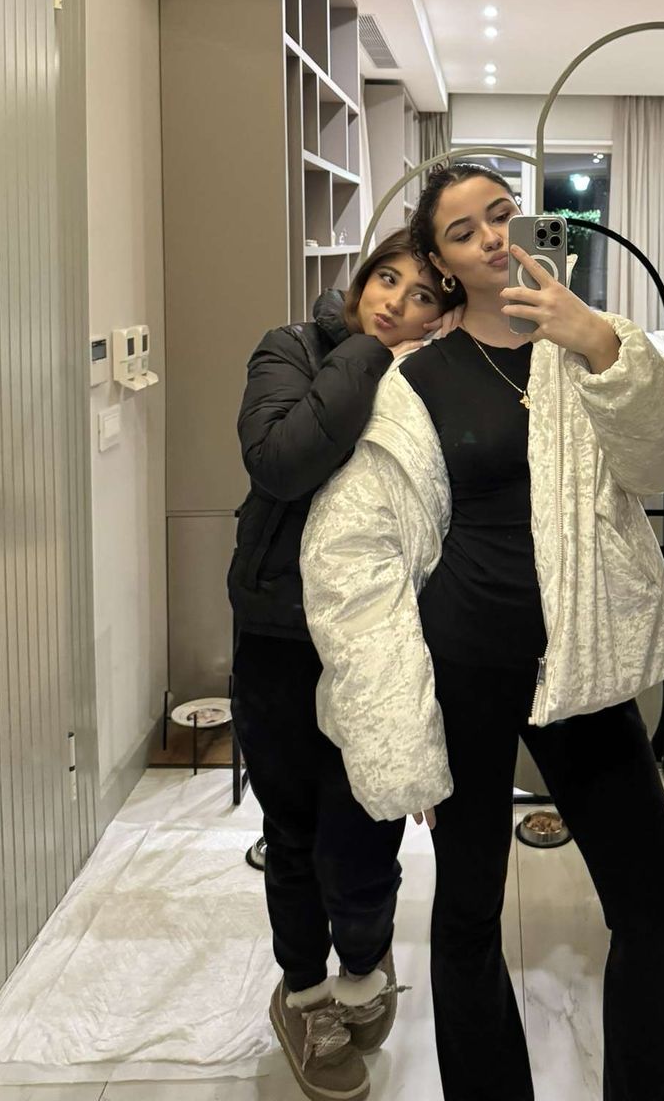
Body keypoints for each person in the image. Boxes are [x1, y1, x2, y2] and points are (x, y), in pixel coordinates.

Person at [301, 164, 664, 1101]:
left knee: (654, 909)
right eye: (463, 232)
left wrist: (599, 342)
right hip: (465, 665)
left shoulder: (591, 346)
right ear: (442, 265)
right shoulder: (416, 381)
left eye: (501, 215)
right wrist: (397, 734)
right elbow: (357, 554)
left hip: (582, 664)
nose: (492, 237)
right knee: (468, 914)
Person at [228, 229, 455, 1101]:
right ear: (361, 280)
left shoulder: (435, 380)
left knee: (365, 826)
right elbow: (282, 463)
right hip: (282, 634)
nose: (396, 301)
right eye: (386, 279)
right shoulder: (292, 348)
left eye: (422, 294)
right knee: (291, 832)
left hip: (381, 637)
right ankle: (304, 995)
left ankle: (363, 962)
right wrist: (366, 352)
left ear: (442, 315)